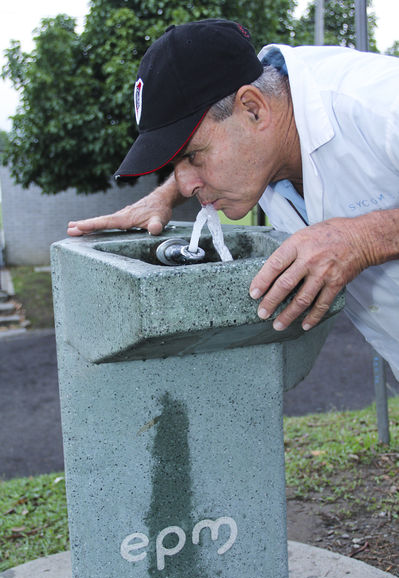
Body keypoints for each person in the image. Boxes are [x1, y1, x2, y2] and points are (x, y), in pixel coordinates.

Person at [67, 19, 399, 379]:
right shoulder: (265, 143)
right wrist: (164, 196)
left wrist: (364, 238)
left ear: (253, 109)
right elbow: (221, 150)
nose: (188, 184)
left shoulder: (378, 104)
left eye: (192, 155)